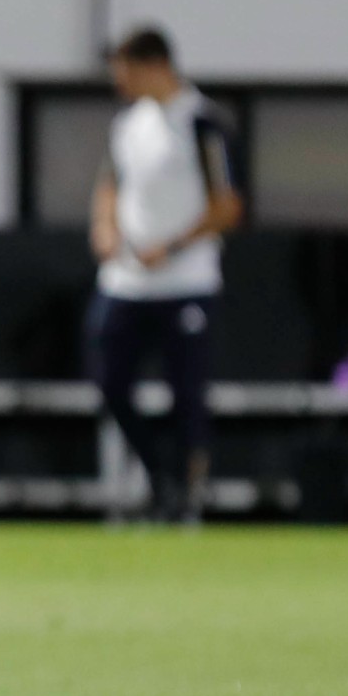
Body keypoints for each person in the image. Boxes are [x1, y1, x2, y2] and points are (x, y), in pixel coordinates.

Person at [89, 27, 241, 524]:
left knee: (187, 394)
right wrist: (105, 228)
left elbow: (228, 205)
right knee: (109, 380)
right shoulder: (128, 124)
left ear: (154, 65)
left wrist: (172, 247)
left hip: (186, 281)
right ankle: (159, 477)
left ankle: (187, 494)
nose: (122, 82)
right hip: (128, 281)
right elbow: (110, 184)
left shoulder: (201, 122)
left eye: (126, 71)